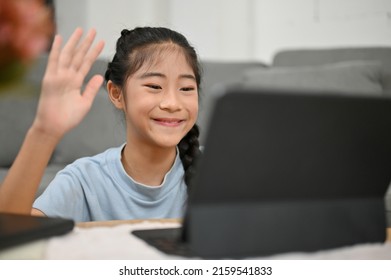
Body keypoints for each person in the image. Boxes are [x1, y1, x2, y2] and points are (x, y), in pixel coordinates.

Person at [0, 26, 202, 222]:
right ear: (116, 94)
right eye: (154, 86)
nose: (173, 103)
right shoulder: (84, 180)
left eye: (186, 88)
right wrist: (44, 132)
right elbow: (9, 237)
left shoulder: (216, 170)